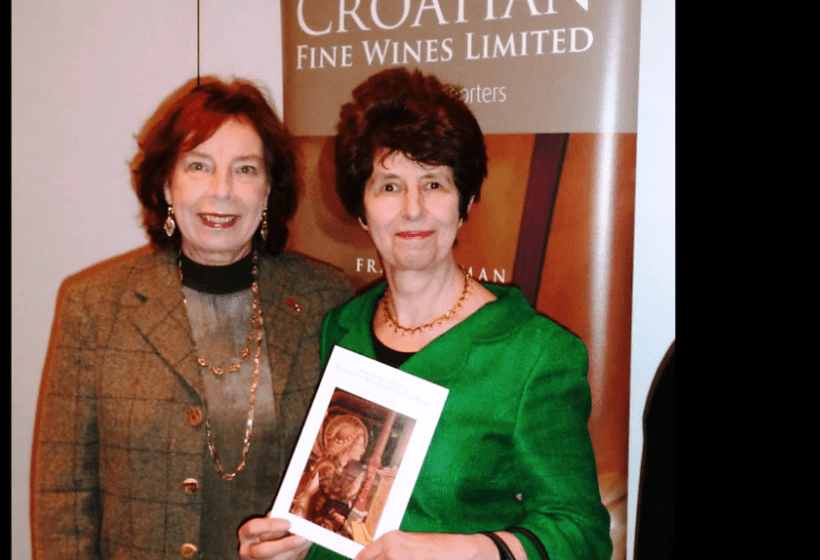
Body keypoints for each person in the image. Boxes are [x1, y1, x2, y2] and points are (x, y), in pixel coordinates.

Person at [238, 68, 611, 560]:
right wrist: (289, 547)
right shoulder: (340, 328)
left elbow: (582, 534)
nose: (413, 209)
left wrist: (470, 551)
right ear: (362, 209)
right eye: (389, 187)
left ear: (465, 201)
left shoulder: (535, 355)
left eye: (434, 184)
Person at [31, 78, 353, 560]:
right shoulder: (94, 306)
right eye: (198, 166)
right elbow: (65, 497)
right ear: (166, 183)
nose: (221, 191)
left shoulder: (326, 298)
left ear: (268, 189)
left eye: (245, 170)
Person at [291, 414, 370, 535]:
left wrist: (335, 516)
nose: (363, 450)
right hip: (302, 517)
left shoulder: (338, 468)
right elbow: (329, 493)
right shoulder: (327, 465)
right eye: (360, 445)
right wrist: (352, 489)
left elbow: (326, 501)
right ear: (348, 446)